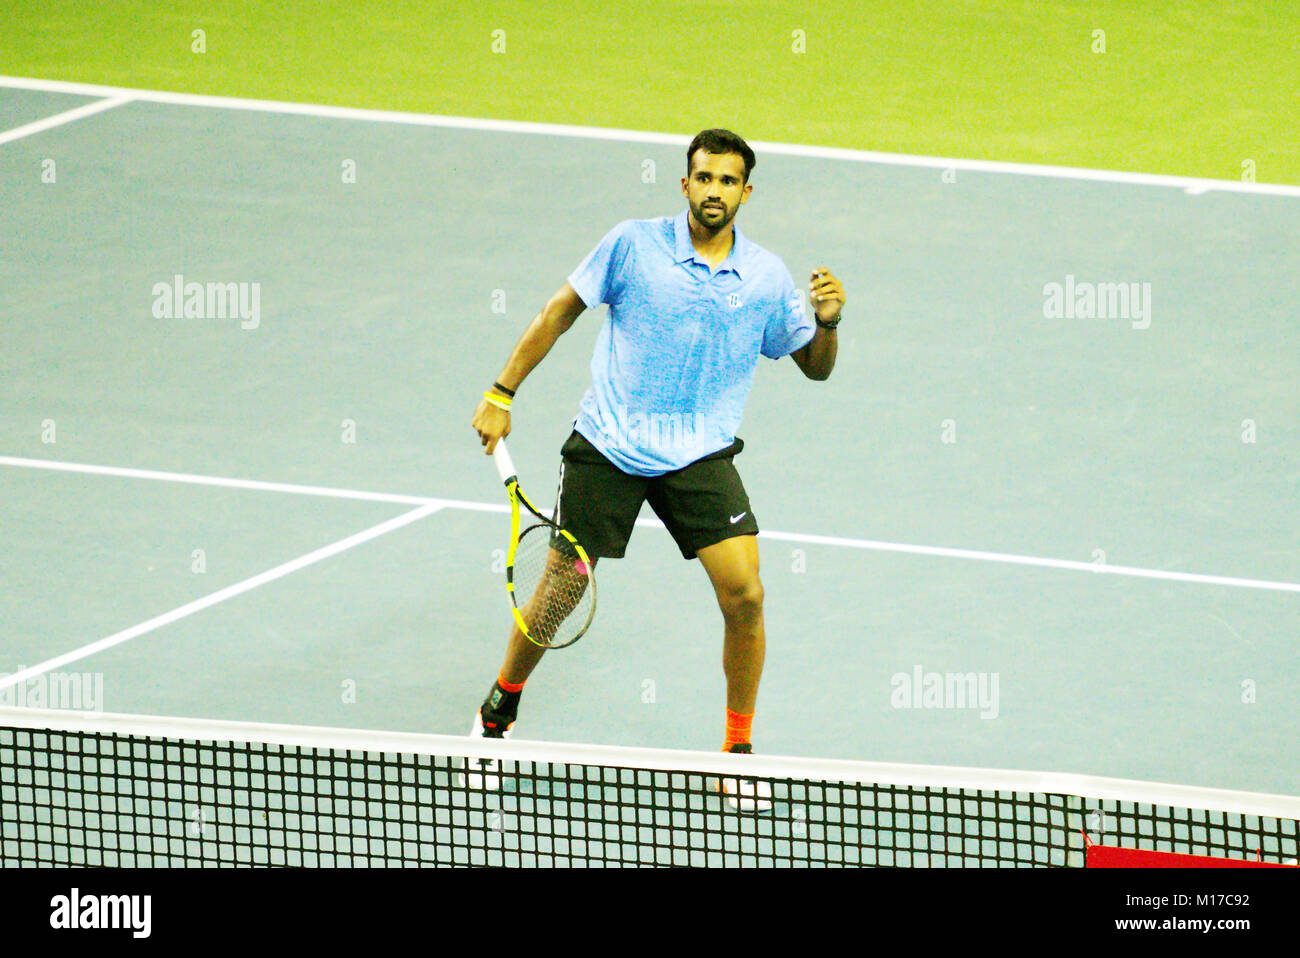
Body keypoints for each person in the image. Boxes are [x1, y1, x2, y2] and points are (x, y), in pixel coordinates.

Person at [469, 128, 844, 768]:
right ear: (685, 184)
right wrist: (501, 393)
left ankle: (738, 745)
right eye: (704, 177)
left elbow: (815, 366)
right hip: (610, 441)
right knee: (561, 589)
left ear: (746, 192)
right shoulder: (632, 245)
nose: (714, 191)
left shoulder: (764, 277)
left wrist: (829, 324)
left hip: (700, 454)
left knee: (746, 596)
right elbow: (561, 309)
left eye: (728, 181)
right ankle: (499, 709)